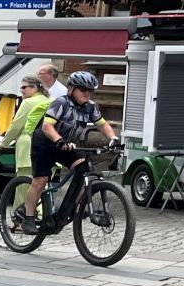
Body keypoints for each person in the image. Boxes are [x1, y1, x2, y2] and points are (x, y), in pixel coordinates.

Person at [17, 70, 117, 231]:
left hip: (67, 145)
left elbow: (102, 124)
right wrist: (59, 140)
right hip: (45, 143)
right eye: (83, 90)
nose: (87, 93)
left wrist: (113, 139)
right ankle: (28, 217)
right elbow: (47, 126)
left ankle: (70, 207)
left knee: (84, 168)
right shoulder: (61, 103)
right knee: (41, 180)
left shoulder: (90, 107)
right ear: (71, 89)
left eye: (90, 90)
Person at [0, 73, 51, 176]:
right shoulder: (50, 101)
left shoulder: (28, 103)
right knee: (42, 183)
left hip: (28, 148)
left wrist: (4, 144)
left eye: (24, 87)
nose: (21, 90)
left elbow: (16, 126)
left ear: (35, 88)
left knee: (24, 183)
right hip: (47, 147)